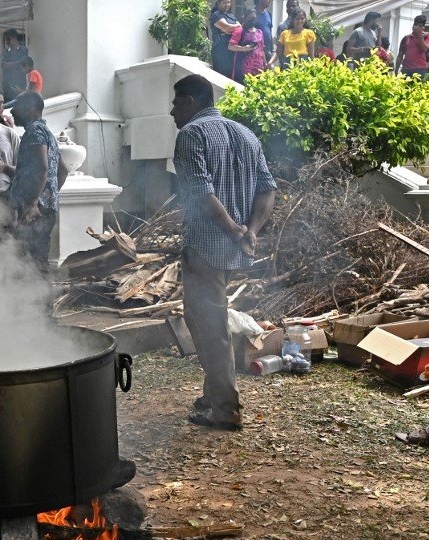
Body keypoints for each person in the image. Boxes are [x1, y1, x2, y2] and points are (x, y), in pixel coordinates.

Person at [170, 74, 276, 431]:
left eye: (175, 102)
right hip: (234, 251)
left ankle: (225, 409)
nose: (171, 111)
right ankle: (212, 395)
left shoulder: (190, 135)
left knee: (208, 325)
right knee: (212, 319)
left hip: (205, 247)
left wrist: (233, 229)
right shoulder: (245, 133)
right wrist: (250, 231)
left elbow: (201, 192)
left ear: (190, 101)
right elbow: (267, 189)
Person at [10, 91, 68, 279]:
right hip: (44, 210)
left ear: (30, 108)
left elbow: (42, 168)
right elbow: (63, 171)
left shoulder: (34, 132)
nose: (12, 111)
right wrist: (48, 198)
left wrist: (34, 203)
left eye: (17, 106)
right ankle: (41, 307)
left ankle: (36, 308)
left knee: (29, 263)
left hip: (33, 212)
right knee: (38, 262)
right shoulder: (48, 134)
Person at [229, 9, 267, 82]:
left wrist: (265, 64)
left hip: (258, 67)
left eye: (254, 18)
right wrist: (243, 48)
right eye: (250, 18)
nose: (252, 20)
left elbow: (261, 49)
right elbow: (230, 46)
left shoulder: (259, 32)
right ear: (245, 17)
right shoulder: (240, 31)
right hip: (243, 68)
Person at [210, 0, 240, 79]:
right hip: (220, 51)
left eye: (228, 2)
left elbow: (240, 28)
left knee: (231, 78)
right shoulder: (216, 15)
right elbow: (227, 27)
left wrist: (229, 30)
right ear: (218, 3)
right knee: (221, 78)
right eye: (224, 2)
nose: (227, 5)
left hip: (231, 51)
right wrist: (231, 28)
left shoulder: (231, 16)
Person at [1, 29, 29, 101]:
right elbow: (3, 65)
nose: (7, 42)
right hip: (7, 87)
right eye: (6, 39)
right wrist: (17, 63)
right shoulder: (5, 52)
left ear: (14, 38)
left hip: (20, 86)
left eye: (8, 39)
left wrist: (10, 64)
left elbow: (24, 64)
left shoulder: (24, 50)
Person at [255, 0, 274, 64]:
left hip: (268, 52)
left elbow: (269, 32)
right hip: (257, 53)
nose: (270, 1)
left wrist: (272, 49)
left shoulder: (268, 13)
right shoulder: (253, 14)